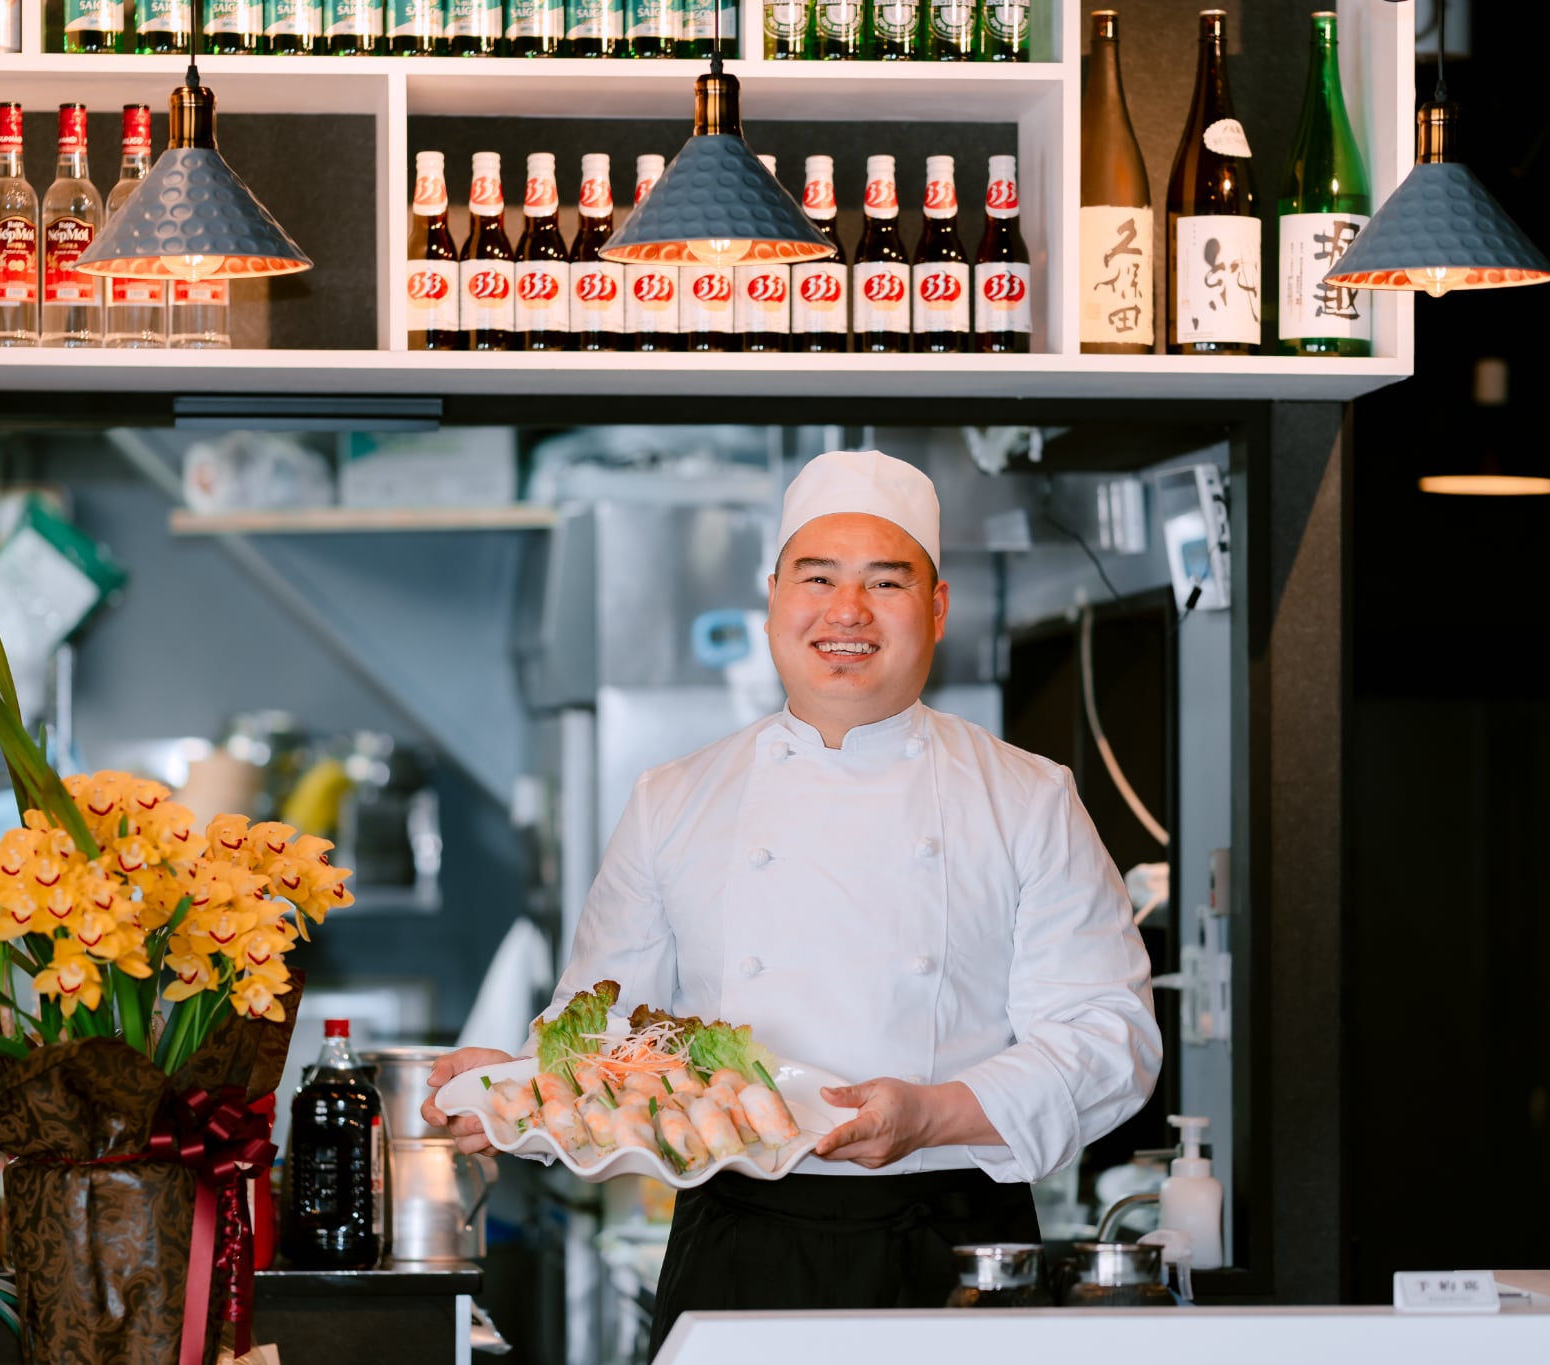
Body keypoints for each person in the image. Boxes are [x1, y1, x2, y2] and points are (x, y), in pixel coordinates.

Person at [422, 449, 1161, 1347]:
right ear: (774, 595)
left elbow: (1108, 1038)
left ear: (935, 607)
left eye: (885, 582)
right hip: (739, 1241)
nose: (846, 612)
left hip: (958, 1245)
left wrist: (935, 1112)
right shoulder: (675, 797)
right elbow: (605, 1036)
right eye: (818, 578)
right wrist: (514, 1096)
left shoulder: (1027, 795)